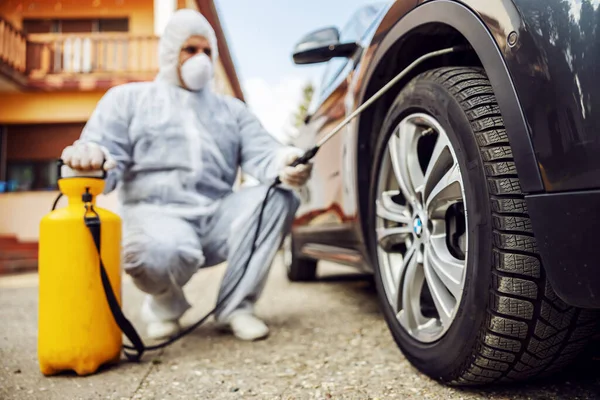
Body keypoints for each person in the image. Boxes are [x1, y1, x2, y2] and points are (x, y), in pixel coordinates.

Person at [60, 9, 312, 342]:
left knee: (280, 197)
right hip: (155, 219)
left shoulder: (230, 110)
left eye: (208, 51)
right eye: (190, 50)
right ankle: (165, 303)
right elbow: (105, 158)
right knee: (154, 254)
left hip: (217, 216)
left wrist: (286, 161)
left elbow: (264, 154)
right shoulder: (128, 100)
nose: (201, 59)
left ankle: (236, 307)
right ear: (170, 53)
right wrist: (90, 159)